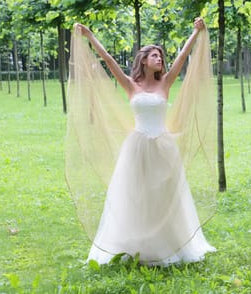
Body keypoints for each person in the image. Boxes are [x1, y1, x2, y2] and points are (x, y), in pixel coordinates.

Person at [68, 18, 216, 266]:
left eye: (160, 56)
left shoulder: (166, 82)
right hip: (137, 148)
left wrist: (195, 32)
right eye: (155, 56)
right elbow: (108, 61)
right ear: (143, 60)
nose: (160, 59)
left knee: (165, 195)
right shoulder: (130, 84)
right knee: (135, 196)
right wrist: (90, 37)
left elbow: (183, 57)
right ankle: (135, 245)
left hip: (163, 146)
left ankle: (168, 243)